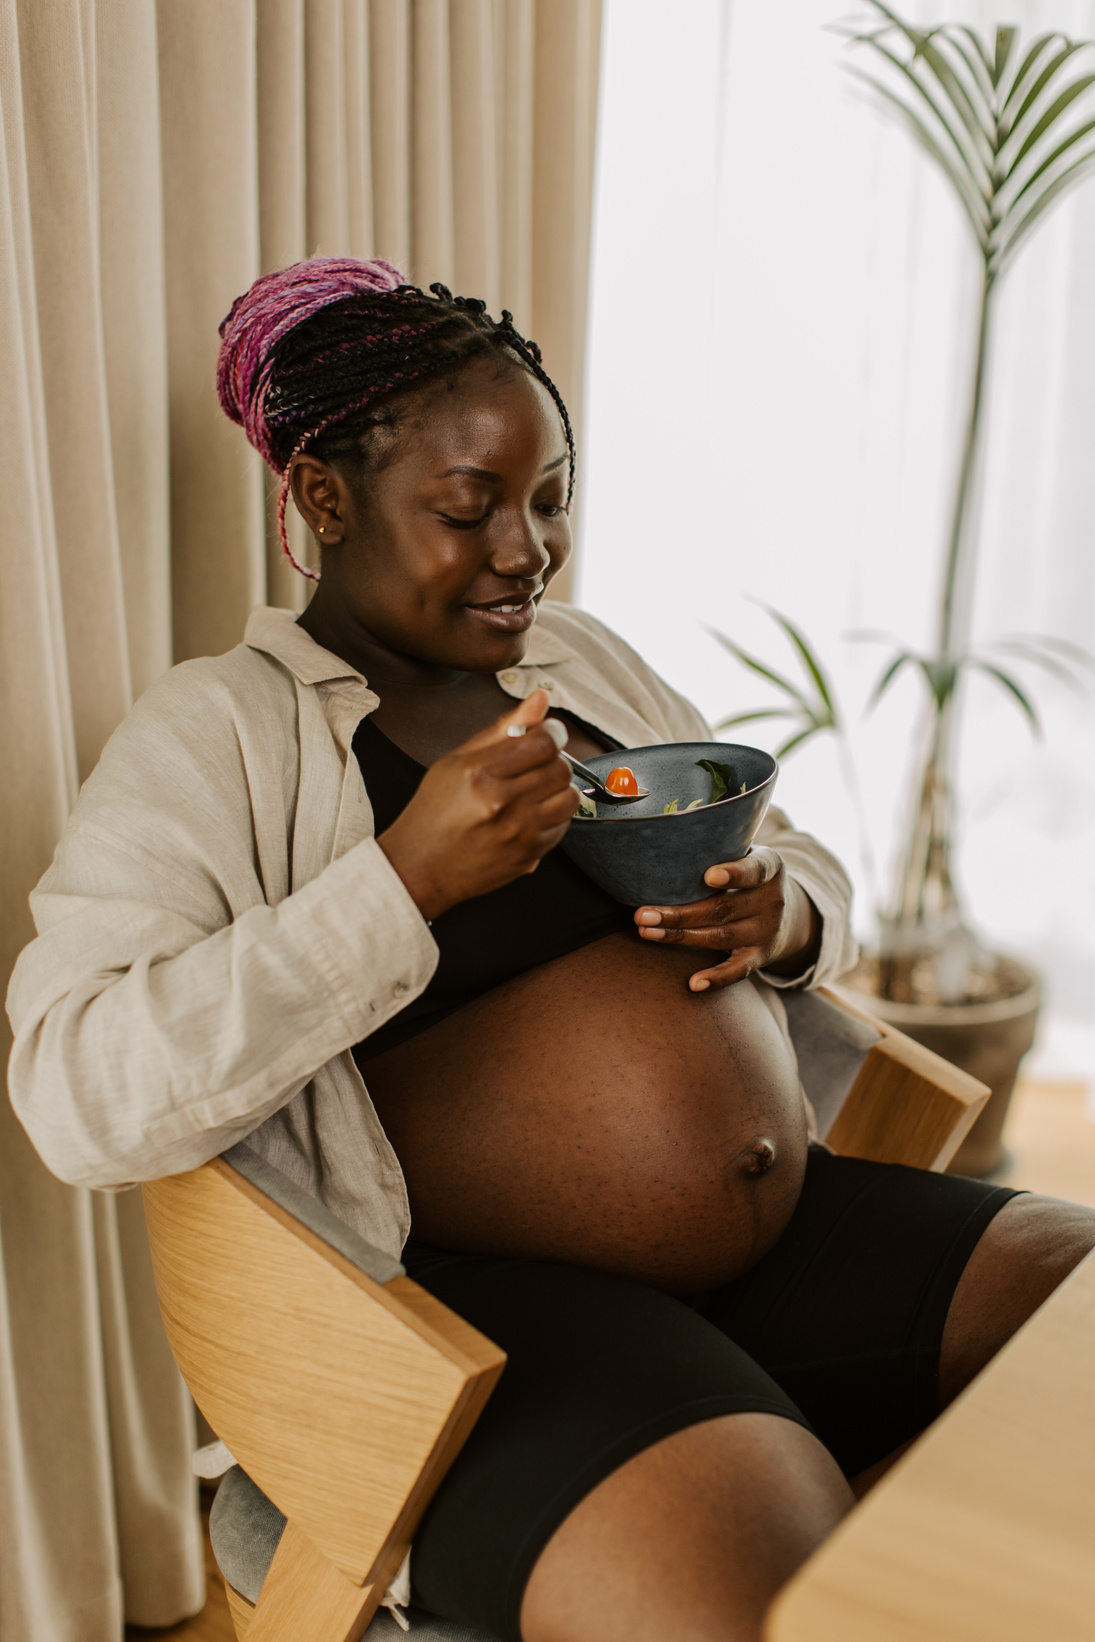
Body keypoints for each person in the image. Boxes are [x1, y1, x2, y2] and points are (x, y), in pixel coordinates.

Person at [8, 258, 1094, 1642]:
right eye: (471, 509)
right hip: (487, 1313)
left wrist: (785, 911)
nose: (527, 549)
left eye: (549, 500)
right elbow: (73, 1091)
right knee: (764, 1579)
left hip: (789, 1234)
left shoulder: (582, 665)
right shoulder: (218, 735)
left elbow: (803, 857)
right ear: (327, 505)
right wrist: (403, 881)